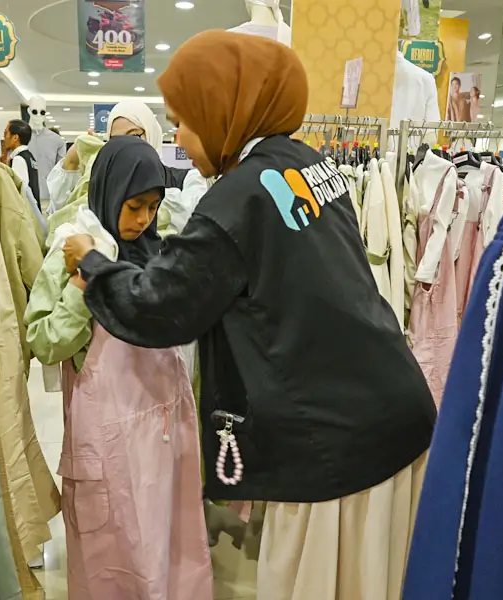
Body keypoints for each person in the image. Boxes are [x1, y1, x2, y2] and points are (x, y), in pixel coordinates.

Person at [63, 30, 436, 600]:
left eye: (184, 120)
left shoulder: (237, 200)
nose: (180, 141)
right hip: (391, 409)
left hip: (333, 443)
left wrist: (91, 264)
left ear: (223, 109)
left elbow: (160, 307)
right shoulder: (306, 165)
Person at [24, 136, 212, 600]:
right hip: (110, 453)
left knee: (169, 550)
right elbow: (44, 342)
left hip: (166, 441)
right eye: (134, 206)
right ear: (109, 192)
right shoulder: (71, 249)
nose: (143, 219)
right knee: (117, 561)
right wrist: (84, 286)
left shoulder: (161, 251)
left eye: (153, 206)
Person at [45, 100, 208, 233]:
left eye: (135, 136)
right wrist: (71, 162)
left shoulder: (186, 179)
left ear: (151, 133)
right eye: (116, 140)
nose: (127, 145)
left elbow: (194, 217)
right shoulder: (101, 180)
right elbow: (60, 215)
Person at [0, 119, 40, 200]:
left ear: (15, 137)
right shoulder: (29, 156)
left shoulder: (19, 159)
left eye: (5, 133)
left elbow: (19, 191)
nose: (4, 138)